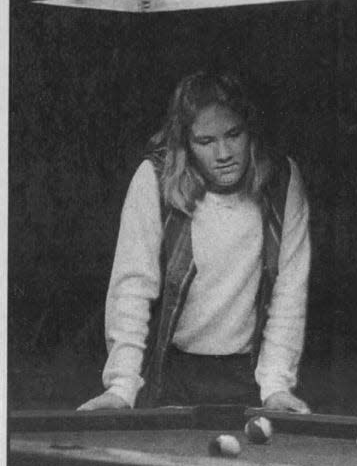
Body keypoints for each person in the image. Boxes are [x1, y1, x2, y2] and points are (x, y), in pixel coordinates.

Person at [78, 70, 311, 411]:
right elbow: (131, 289)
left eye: (233, 134)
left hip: (248, 377)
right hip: (172, 373)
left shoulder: (282, 180)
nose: (223, 153)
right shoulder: (153, 179)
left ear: (251, 131)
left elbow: (289, 291)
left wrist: (276, 385)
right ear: (185, 142)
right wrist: (122, 386)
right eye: (206, 141)